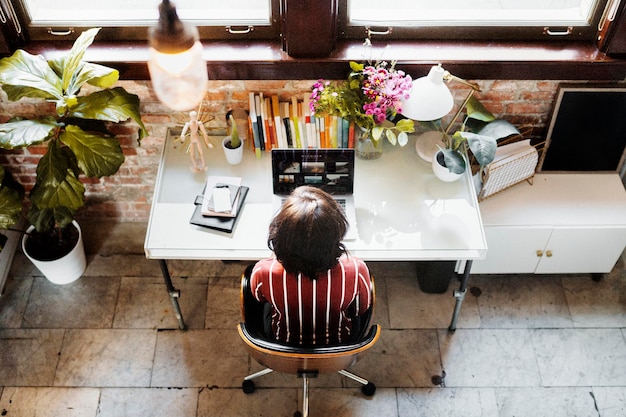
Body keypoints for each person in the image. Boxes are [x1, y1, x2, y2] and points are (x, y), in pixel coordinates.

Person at [250, 186, 372, 346]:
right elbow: (359, 310)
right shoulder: (356, 270)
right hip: (338, 345)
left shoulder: (263, 271)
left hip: (283, 343)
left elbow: (259, 298)